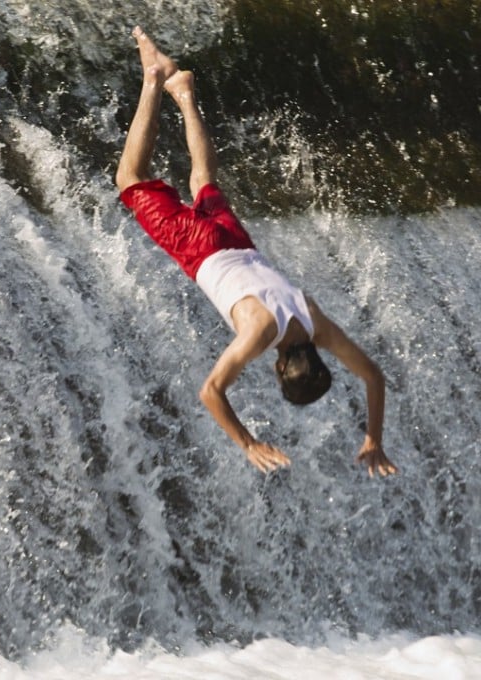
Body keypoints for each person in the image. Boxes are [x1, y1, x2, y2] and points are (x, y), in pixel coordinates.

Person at [116, 27, 397, 477]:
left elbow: (374, 376)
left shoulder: (315, 323)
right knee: (130, 180)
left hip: (238, 242)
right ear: (281, 367)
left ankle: (183, 92)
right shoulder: (260, 334)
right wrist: (247, 442)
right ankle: (154, 77)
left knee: (203, 181)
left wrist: (374, 438)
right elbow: (211, 391)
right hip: (201, 250)